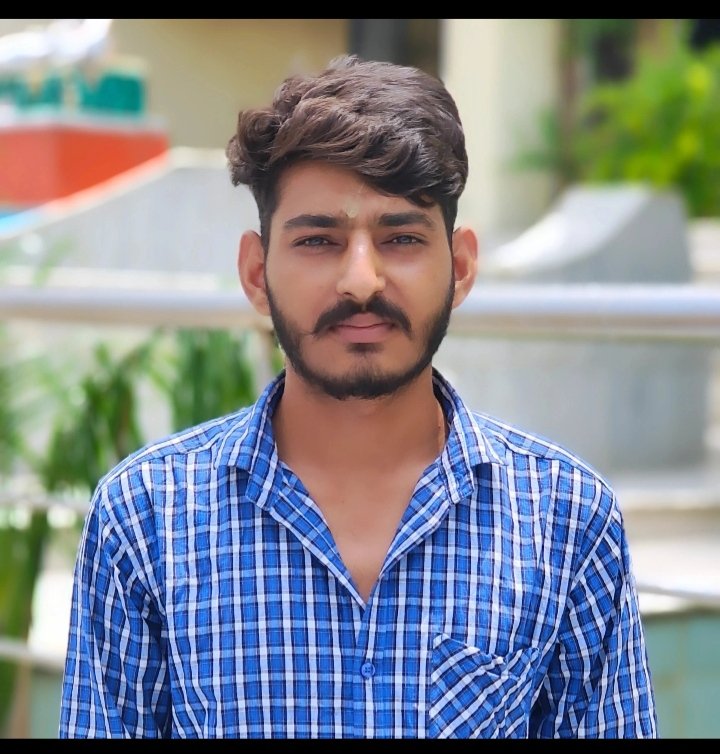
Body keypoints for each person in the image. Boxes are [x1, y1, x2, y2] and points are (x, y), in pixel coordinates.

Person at [58, 54, 658, 739]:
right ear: (256, 273)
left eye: (401, 238)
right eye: (319, 240)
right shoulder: (146, 520)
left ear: (461, 267)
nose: (361, 280)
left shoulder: (566, 521)